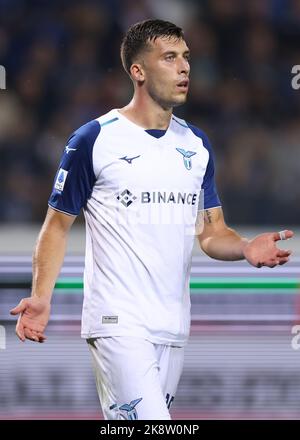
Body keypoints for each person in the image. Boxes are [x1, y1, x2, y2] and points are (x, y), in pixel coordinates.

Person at [10, 19, 293, 420]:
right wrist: (41, 297)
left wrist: (245, 246)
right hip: (118, 322)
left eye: (187, 58)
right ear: (138, 72)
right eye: (170, 58)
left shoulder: (196, 145)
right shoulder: (94, 139)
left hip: (173, 325)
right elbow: (56, 226)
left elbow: (212, 232)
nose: (185, 68)